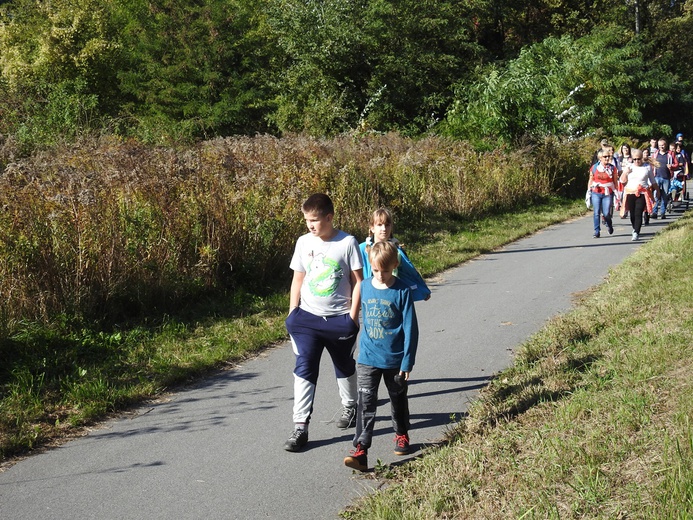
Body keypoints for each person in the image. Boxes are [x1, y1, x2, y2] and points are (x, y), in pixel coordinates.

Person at [284, 193, 363, 452]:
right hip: (306, 319)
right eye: (307, 220)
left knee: (344, 365)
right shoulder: (303, 242)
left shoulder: (347, 242)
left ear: (329, 217)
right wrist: (292, 314)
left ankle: (350, 407)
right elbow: (298, 279)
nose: (310, 225)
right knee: (304, 367)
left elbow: (358, 281)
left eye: (315, 220)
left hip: (339, 319)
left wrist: (351, 318)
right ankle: (300, 427)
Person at [343, 241, 419, 472]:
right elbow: (355, 319)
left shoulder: (403, 290)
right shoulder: (364, 286)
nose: (380, 275)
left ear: (394, 265)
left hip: (394, 360)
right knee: (365, 403)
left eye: (385, 270)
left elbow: (411, 329)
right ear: (370, 266)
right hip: (367, 357)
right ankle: (361, 450)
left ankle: (401, 434)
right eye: (376, 270)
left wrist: (407, 361)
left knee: (397, 400)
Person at [360, 208, 431, 302]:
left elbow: (409, 270)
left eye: (387, 225)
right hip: (371, 295)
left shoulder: (396, 250)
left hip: (393, 294)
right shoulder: (363, 249)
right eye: (379, 225)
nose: (384, 229)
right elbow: (355, 273)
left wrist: (422, 289)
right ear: (372, 227)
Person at [621, 148, 660, 241]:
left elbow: (653, 181)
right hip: (630, 192)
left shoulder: (647, 167)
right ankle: (634, 227)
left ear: (642, 158)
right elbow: (622, 181)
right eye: (634, 159)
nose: (637, 161)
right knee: (632, 214)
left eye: (638, 159)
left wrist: (658, 191)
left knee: (638, 212)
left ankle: (636, 232)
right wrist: (626, 173)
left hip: (642, 193)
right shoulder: (629, 167)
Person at [587, 149, 618, 238]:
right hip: (596, 192)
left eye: (608, 156)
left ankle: (609, 224)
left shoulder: (612, 168)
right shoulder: (594, 167)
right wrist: (589, 191)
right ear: (600, 158)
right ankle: (597, 231)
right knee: (596, 212)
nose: (607, 158)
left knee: (606, 213)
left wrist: (617, 193)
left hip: (608, 193)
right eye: (605, 156)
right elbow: (591, 180)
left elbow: (615, 181)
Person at [651, 137, 678, 219]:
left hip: (666, 177)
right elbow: (651, 164)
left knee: (665, 195)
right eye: (659, 145)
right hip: (657, 177)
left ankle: (662, 212)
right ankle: (654, 212)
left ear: (666, 145)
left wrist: (672, 167)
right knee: (656, 195)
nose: (661, 147)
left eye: (663, 145)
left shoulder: (670, 154)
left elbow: (676, 164)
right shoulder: (655, 154)